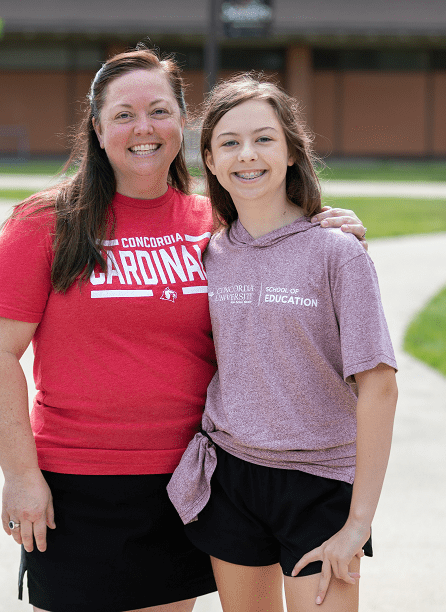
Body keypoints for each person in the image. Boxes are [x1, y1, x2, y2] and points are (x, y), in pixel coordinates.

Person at [0, 49, 367, 612]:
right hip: (78, 484)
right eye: (124, 114)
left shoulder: (218, 225)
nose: (143, 128)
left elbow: (291, 282)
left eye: (159, 110)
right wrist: (20, 475)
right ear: (97, 126)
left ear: (183, 121)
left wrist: (329, 229)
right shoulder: (43, 222)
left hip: (189, 480)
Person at [167, 76, 398, 612]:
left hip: (318, 483)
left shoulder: (338, 253)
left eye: (264, 139)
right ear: (211, 161)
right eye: (229, 143)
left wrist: (358, 521)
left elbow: (380, 388)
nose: (247, 155)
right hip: (232, 475)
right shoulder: (209, 253)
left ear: (293, 151)